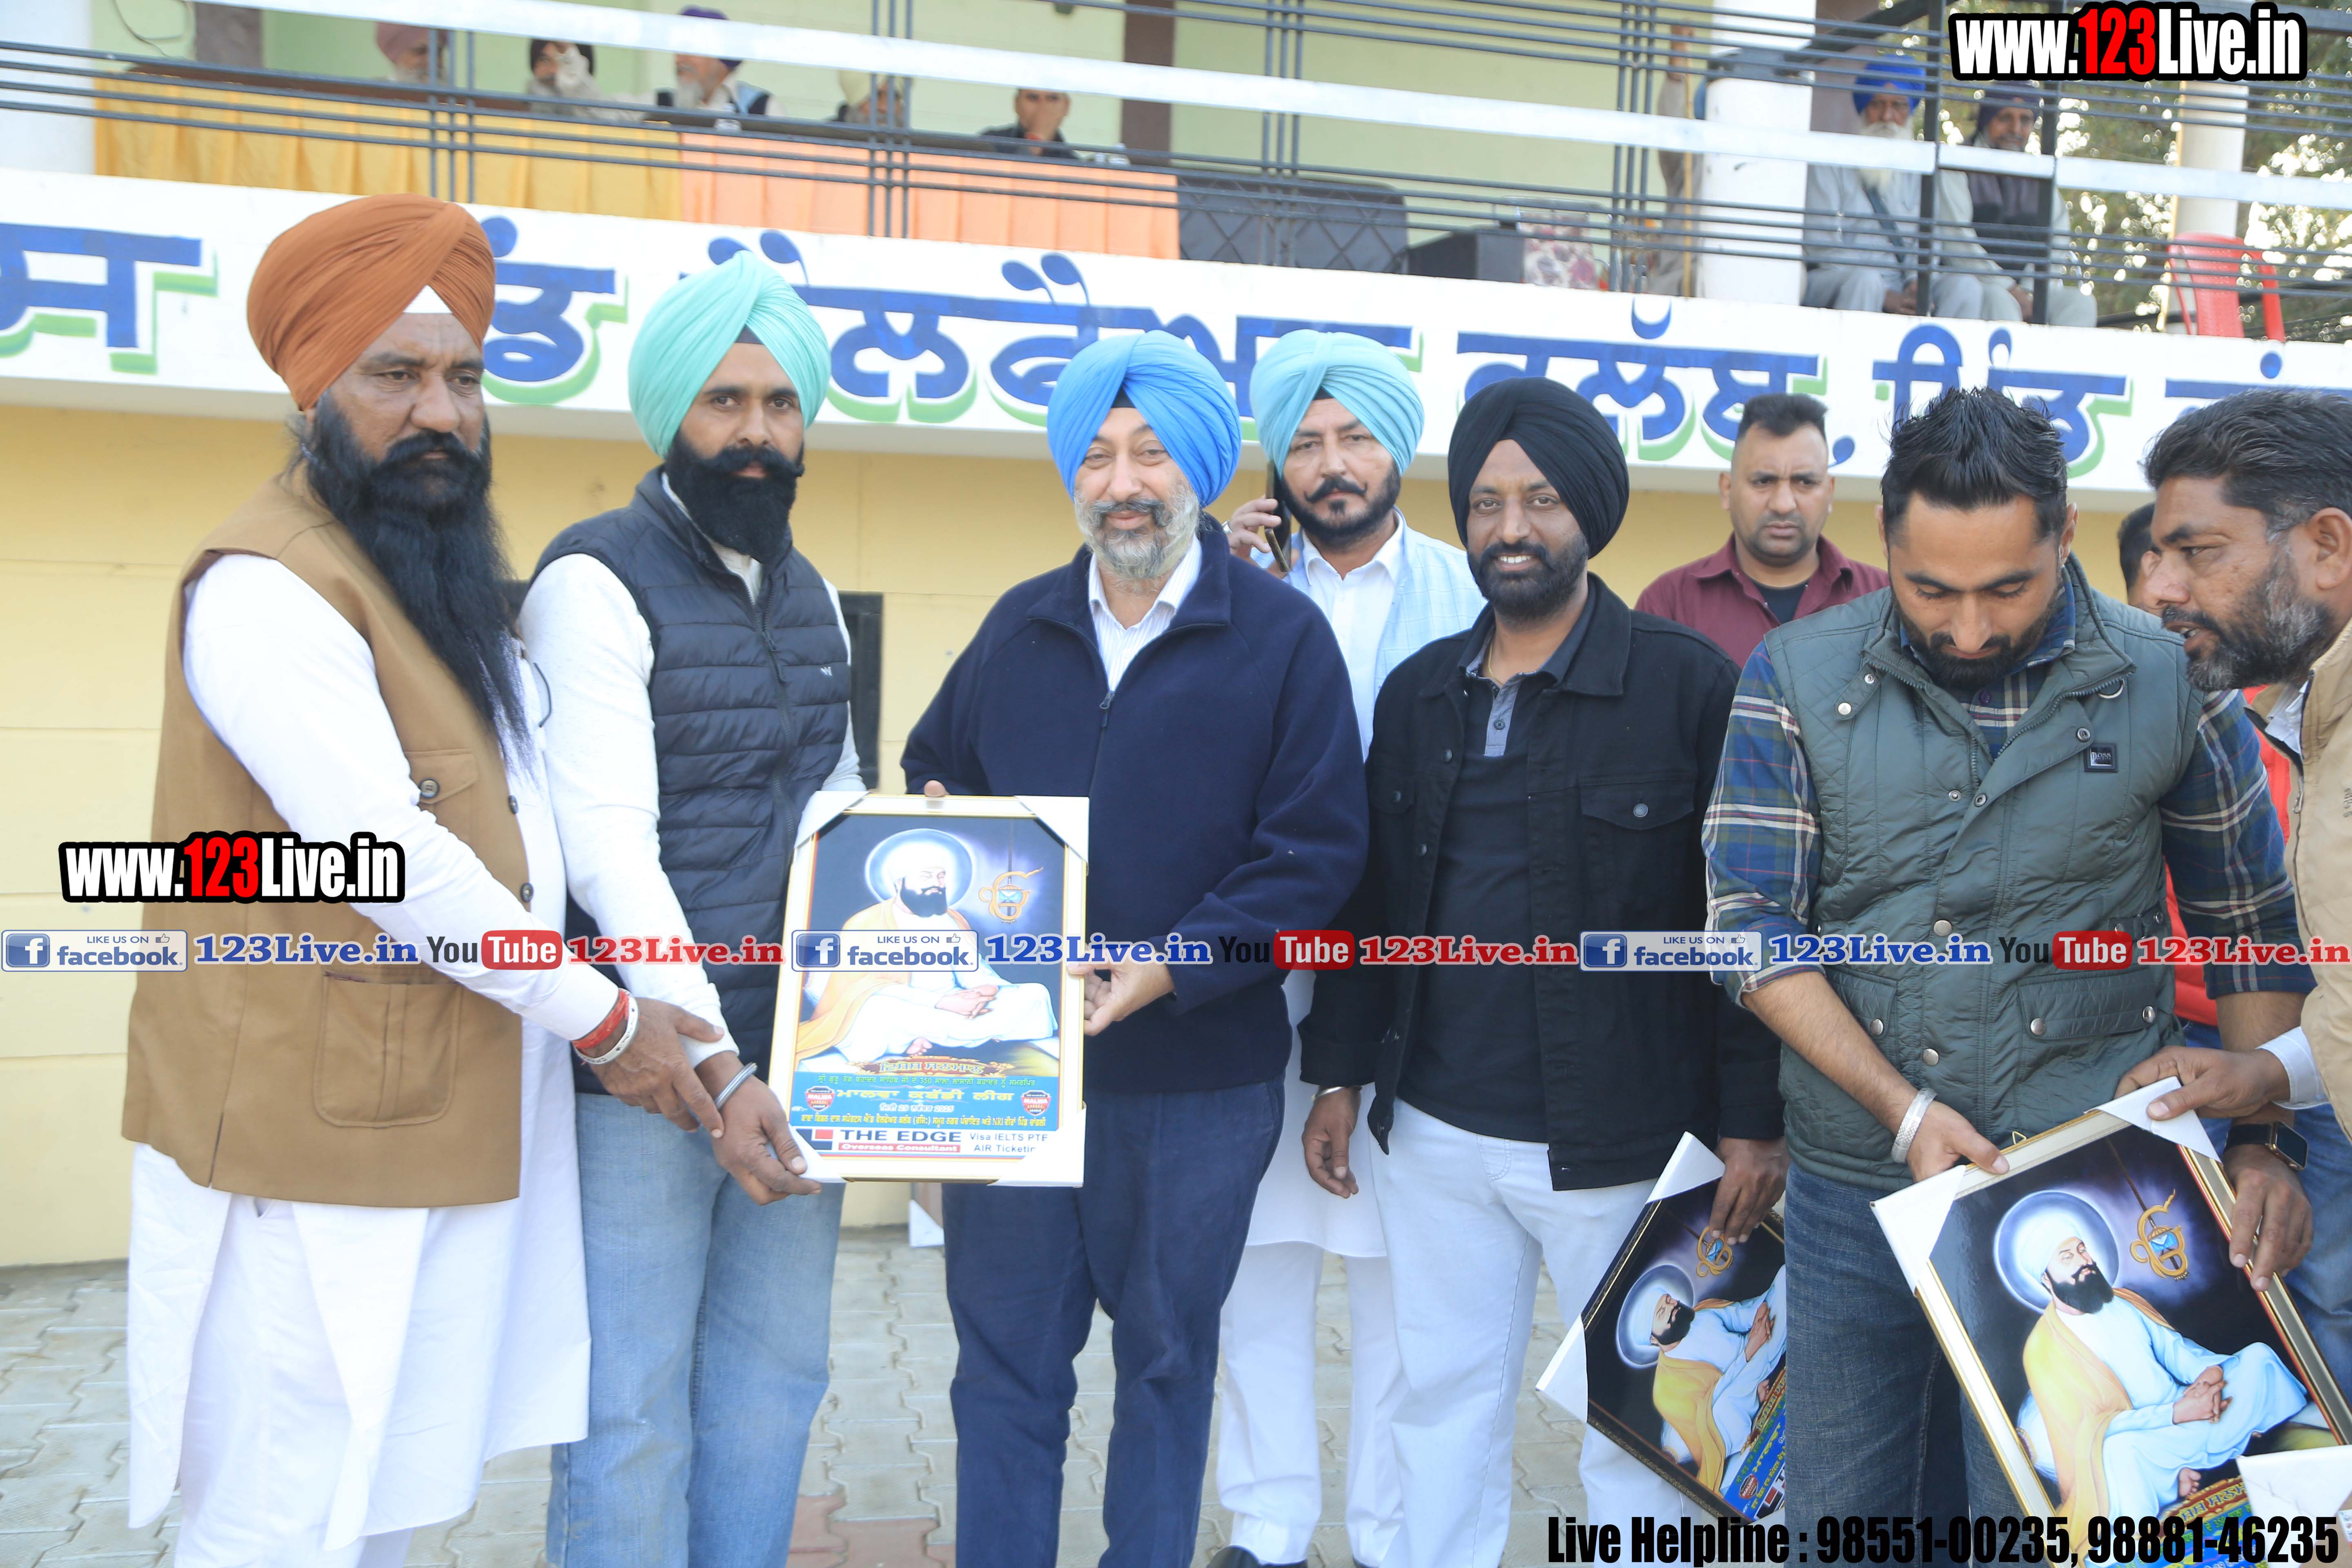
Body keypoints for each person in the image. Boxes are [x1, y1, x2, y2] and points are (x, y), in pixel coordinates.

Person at [120, 192, 741, 1567]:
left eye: (464, 378)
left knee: (383, 1510)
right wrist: (608, 1018)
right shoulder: (268, 588)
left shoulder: (423, 582)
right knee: (282, 1519)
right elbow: (390, 859)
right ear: (311, 392)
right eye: (394, 376)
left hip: (424, 1121)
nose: (441, 414)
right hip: (302, 1149)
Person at [1702, 385, 2318, 1518]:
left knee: (2044, 1510)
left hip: (2092, 1172)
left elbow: (2245, 927)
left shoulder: (2168, 676)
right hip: (1856, 1181)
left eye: (2006, 588)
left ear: (2065, 534)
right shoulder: (1793, 674)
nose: (1969, 629)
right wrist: (1901, 1113)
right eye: (1930, 589)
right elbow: (1747, 930)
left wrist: (2261, 1140)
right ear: (1884, 539)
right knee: (1843, 1509)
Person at [1301, 375, 1786, 1564]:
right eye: (1484, 503)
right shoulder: (1418, 694)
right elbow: (1373, 906)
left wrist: (1752, 1122)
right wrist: (1337, 1073)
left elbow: (1744, 922)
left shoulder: (1688, 685)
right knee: (1438, 1402)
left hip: (1628, 1145)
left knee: (1642, 1431)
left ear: (1591, 513)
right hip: (1433, 1134)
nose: (1510, 527)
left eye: (1540, 500)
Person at [901, 330, 1367, 1568]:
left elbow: (1315, 853)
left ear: (1199, 472)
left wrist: (1172, 964)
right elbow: (934, 770)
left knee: (1165, 1366)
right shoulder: (1017, 627)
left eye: (1151, 453)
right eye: (1098, 456)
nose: (1123, 483)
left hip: (1194, 1084)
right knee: (1003, 1372)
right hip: (1012, 1072)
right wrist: (938, 831)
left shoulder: (1279, 638)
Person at [520, 251, 852, 1568]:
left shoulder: (813, 595)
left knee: (775, 1384)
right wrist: (718, 1068)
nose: (755, 433)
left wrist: (908, 846)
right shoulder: (590, 583)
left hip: (803, 1063)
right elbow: (610, 851)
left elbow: (833, 805)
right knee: (630, 1405)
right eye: (725, 401)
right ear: (671, 415)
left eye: (779, 403)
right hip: (650, 1077)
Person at [1207, 329, 1484, 1568]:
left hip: (1413, 988)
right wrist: (1210, 588)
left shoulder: (1468, 593)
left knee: (1397, 1275)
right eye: (1307, 441)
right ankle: (1267, 1526)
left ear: (1396, 449)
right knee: (1253, 1261)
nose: (1331, 463)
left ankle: (1384, 1531)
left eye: (1355, 436)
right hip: (1252, 979)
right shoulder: (1234, 586)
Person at [2115, 389, 2352, 1393]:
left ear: (2326, 547)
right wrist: (2265, 1075)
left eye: (2198, 552)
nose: (2163, 587)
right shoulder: (2311, 715)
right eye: (2158, 554)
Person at [2006, 1204, 2324, 1533]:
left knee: (2258, 1357)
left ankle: (2295, 1448)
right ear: (2045, 1279)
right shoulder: (2044, 1349)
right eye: (2067, 1257)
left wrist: (2209, 1377)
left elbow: (2175, 1352)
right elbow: (2091, 1431)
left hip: (2191, 1406)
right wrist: (2176, 1414)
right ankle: (2166, 1498)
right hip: (2146, 1436)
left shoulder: (2122, 1301)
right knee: (2120, 1453)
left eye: (2082, 1250)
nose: (2083, 1261)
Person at [1635, 392, 1888, 667]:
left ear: (1830, 492)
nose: (1783, 504)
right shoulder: (1669, 605)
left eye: (1805, 482)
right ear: (1727, 490)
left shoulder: (1884, 601)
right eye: (1763, 481)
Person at [793, 833, 1060, 1069]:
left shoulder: (950, 920)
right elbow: (869, 986)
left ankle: (916, 1040)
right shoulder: (867, 923)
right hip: (904, 1006)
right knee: (876, 1011)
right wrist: (942, 1003)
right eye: (926, 876)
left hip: (955, 1004)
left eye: (941, 876)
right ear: (900, 882)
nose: (937, 883)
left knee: (1035, 994)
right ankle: (928, 1038)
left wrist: (984, 991)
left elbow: (973, 970)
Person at [1802, 60, 1985, 318]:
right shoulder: (1832, 162)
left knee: (1965, 287)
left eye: (1898, 106)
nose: (1887, 117)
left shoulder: (1922, 170)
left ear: (1909, 112)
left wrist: (1915, 282)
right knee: (1866, 281)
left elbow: (1926, 240)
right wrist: (1884, 293)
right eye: (1878, 104)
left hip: (1901, 280)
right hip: (1841, 277)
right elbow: (1821, 245)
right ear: (1864, 109)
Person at [1936, 86, 2099, 329]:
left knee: (2080, 304)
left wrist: (2029, 291)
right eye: (2005, 118)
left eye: (2025, 120)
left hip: (2030, 289)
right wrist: (2009, 288)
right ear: (1987, 119)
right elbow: (1957, 241)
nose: (2015, 129)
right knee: (2000, 301)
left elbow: (2057, 241)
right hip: (1980, 284)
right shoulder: (1958, 165)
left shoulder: (2039, 174)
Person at [1649, 1269, 1788, 1495]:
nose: (1673, 1306)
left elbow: (1739, 1315)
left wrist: (1760, 1312)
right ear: (1653, 1339)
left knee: (1784, 1277)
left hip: (1758, 1346)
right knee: (1721, 1404)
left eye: (1669, 1299)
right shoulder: (1664, 1391)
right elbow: (1708, 1417)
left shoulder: (1702, 1313)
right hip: (1730, 1411)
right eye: (1663, 1312)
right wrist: (1749, 1353)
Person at [659, 8, 773, 118]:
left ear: (721, 61)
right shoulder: (657, 103)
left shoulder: (763, 109)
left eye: (691, 50)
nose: (679, 60)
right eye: (678, 50)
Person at [526, 40, 629, 123]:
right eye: (545, 60)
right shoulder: (519, 116)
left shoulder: (611, 115)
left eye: (566, 62)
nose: (554, 71)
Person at [979, 87, 1079, 158]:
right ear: (1017, 103)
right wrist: (1036, 139)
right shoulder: (989, 143)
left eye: (1053, 99)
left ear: (1066, 106)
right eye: (1033, 98)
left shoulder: (1074, 163)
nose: (1042, 106)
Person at [834, 70, 908, 127]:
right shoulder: (828, 138)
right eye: (875, 96)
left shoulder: (910, 142)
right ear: (856, 101)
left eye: (894, 97)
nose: (885, 107)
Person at [375, 22, 440, 83]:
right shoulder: (375, 90)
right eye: (420, 51)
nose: (433, 61)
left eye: (438, 52)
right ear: (396, 55)